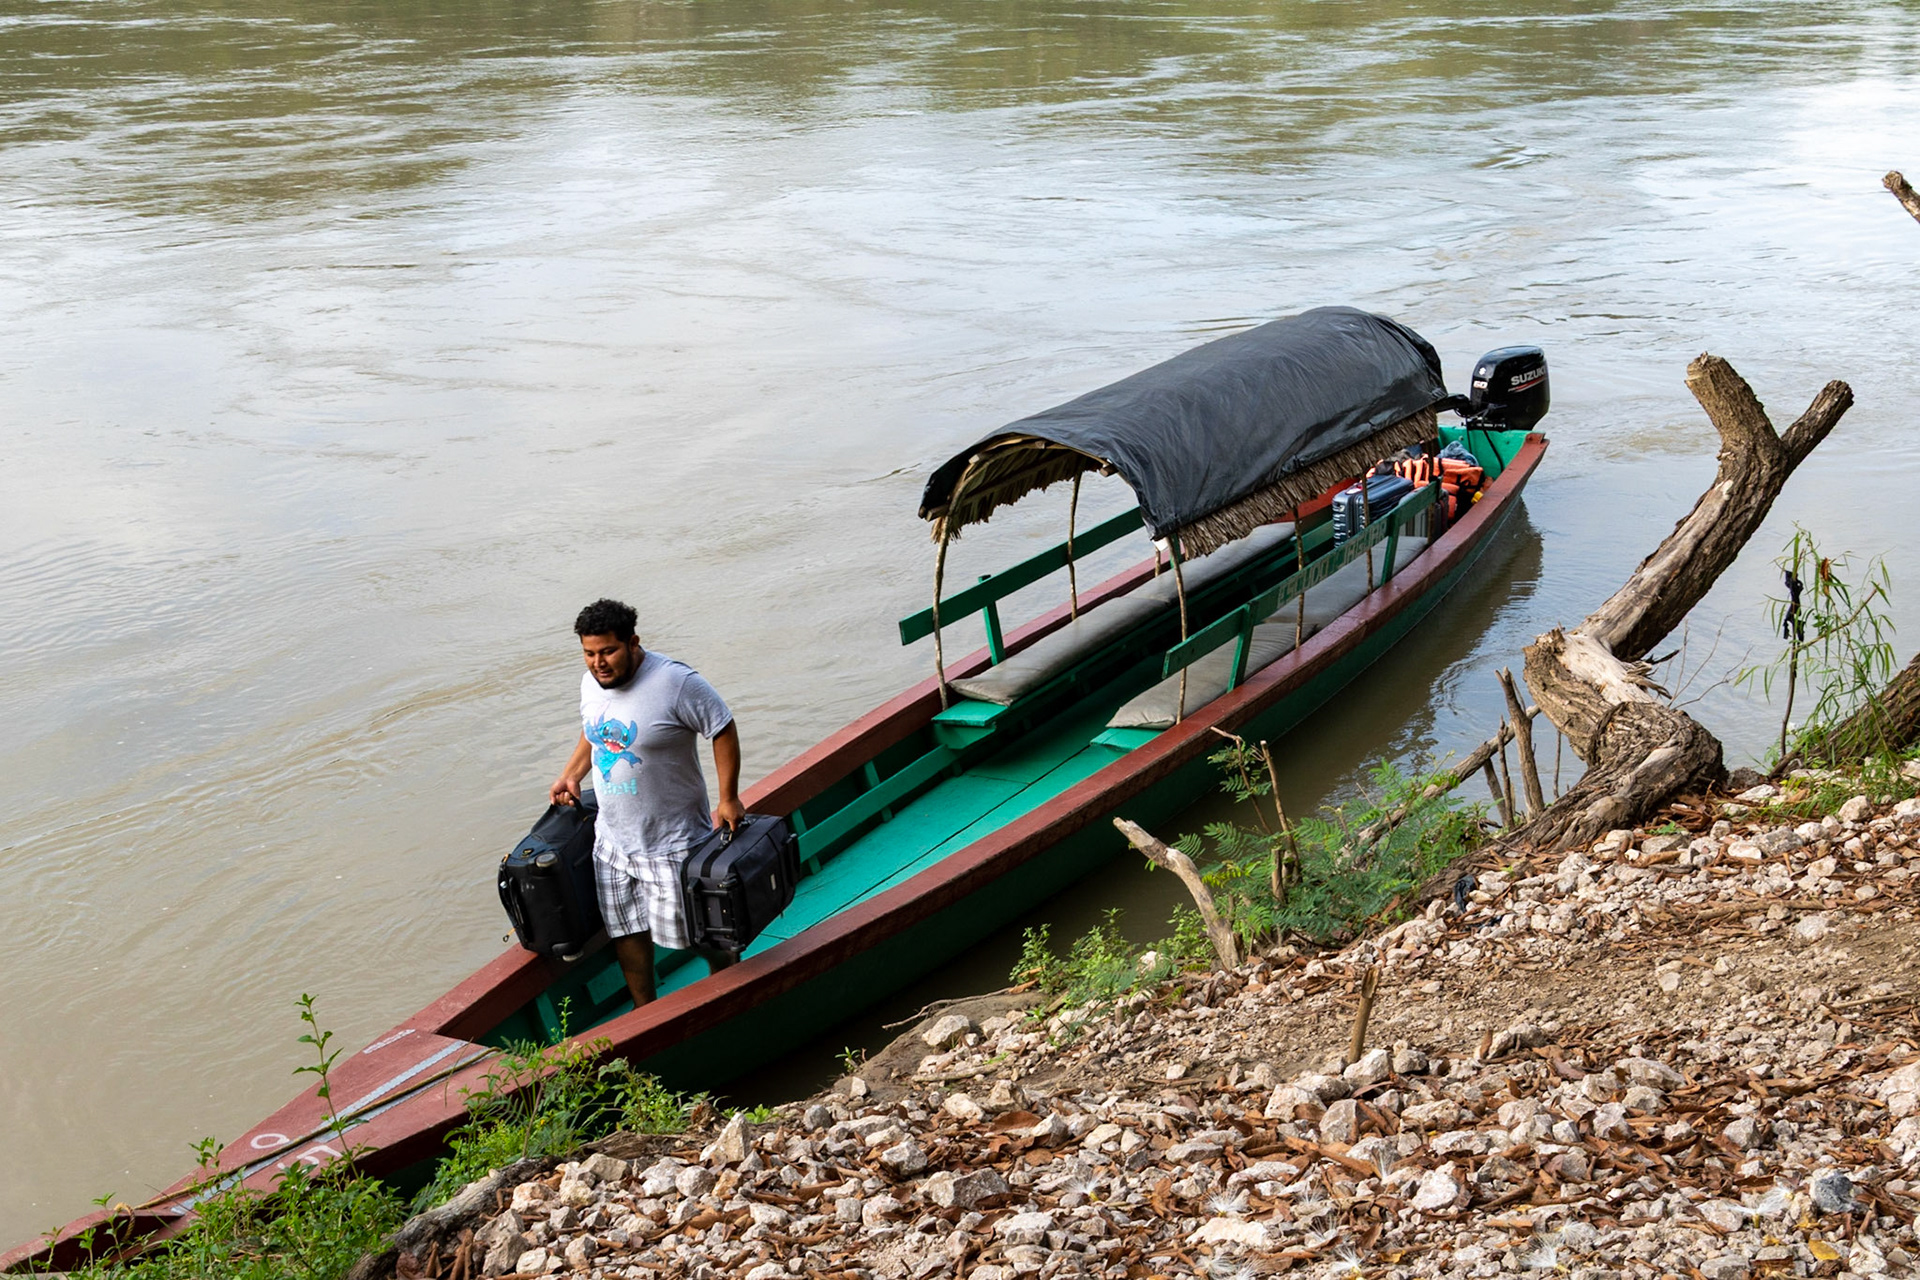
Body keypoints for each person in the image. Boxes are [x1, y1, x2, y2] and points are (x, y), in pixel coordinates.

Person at [549, 598, 744, 1006]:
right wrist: (572, 774)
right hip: (612, 841)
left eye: (607, 651)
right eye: (589, 653)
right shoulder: (593, 684)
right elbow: (594, 731)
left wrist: (728, 797)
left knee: (695, 935)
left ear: (633, 642)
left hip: (671, 842)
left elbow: (721, 727)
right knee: (627, 933)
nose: (598, 662)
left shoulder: (675, 683)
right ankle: (645, 1013)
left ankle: (732, 984)